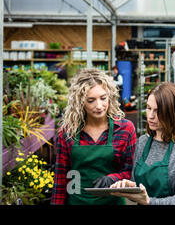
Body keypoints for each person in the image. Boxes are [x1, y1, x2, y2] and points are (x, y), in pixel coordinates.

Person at [51, 68, 136, 205]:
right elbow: (61, 179)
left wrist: (113, 179)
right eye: (91, 100)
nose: (99, 106)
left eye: (103, 98)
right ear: (80, 103)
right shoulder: (68, 132)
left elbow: (131, 172)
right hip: (77, 201)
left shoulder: (125, 130)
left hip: (112, 202)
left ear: (110, 96)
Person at [110, 82, 175, 205]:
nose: (151, 116)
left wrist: (148, 201)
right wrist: (129, 187)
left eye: (157, 111)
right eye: (148, 108)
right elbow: (140, 188)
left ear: (172, 113)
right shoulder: (143, 142)